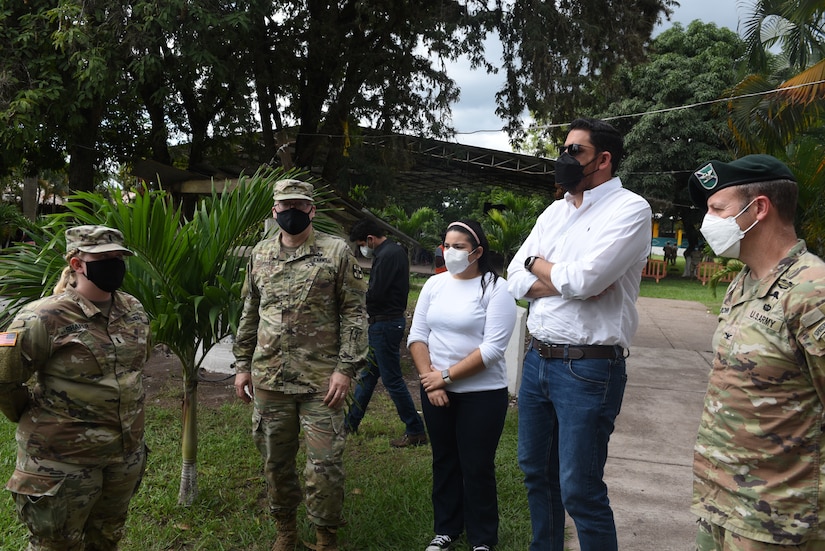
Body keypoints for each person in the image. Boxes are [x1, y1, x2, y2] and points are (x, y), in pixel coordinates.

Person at [507, 117, 652, 551]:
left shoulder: (630, 209)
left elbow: (589, 281)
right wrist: (549, 272)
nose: (564, 159)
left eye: (576, 152)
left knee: (580, 489)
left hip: (587, 369)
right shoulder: (554, 211)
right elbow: (514, 275)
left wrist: (542, 266)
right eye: (563, 149)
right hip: (538, 361)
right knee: (536, 473)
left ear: (603, 160)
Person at [687, 154, 825, 550]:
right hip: (722, 505)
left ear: (758, 208)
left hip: (779, 521)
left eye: (717, 209)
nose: (707, 221)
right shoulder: (744, 284)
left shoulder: (812, 292)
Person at [232, 179, 368, 551]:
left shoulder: (336, 251)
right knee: (276, 464)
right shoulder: (260, 254)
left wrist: (345, 368)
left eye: (300, 205)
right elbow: (250, 312)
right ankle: (286, 531)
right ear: (275, 211)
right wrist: (242, 363)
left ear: (311, 209)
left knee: (324, 466)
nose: (292, 212)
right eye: (285, 206)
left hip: (321, 382)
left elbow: (355, 314)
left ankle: (326, 537)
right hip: (269, 379)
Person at [0, 225, 151, 550]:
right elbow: (4, 378)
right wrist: (24, 412)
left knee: (106, 540)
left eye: (117, 256)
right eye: (102, 257)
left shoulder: (134, 310)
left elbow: (135, 369)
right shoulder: (43, 318)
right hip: (60, 465)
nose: (113, 263)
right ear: (77, 263)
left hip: (121, 459)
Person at [409, 219, 516, 551]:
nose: (450, 251)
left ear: (478, 252)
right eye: (446, 245)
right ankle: (446, 529)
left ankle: (482, 539)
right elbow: (417, 336)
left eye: (459, 247)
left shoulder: (496, 289)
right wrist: (433, 382)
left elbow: (492, 349)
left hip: (482, 396)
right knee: (444, 460)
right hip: (436, 392)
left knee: (477, 465)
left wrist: (446, 376)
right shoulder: (435, 285)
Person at [345, 218, 427, 446]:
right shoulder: (395, 251)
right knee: (368, 376)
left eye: (362, 244)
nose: (363, 249)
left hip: (385, 324)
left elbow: (376, 293)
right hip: (386, 323)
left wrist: (354, 297)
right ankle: (349, 424)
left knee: (392, 380)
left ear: (370, 239)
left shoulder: (386, 255)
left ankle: (415, 429)